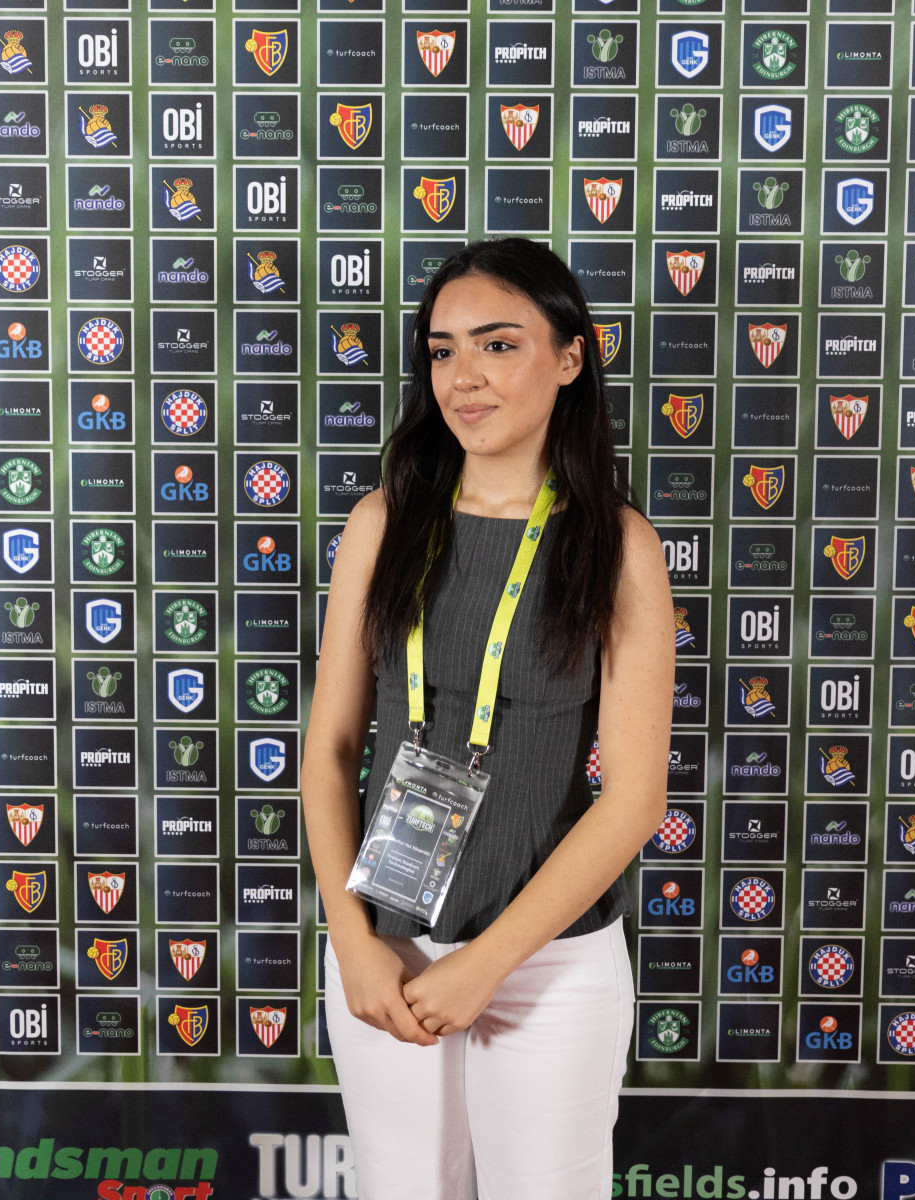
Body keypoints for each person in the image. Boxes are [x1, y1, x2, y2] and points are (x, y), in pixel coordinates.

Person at [302, 238, 675, 1198]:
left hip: (551, 966)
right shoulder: (381, 523)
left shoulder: (618, 545)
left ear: (570, 357)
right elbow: (330, 752)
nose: (462, 377)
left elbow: (634, 799)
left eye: (498, 345)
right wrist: (353, 943)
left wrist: (486, 967)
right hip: (386, 950)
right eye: (442, 350)